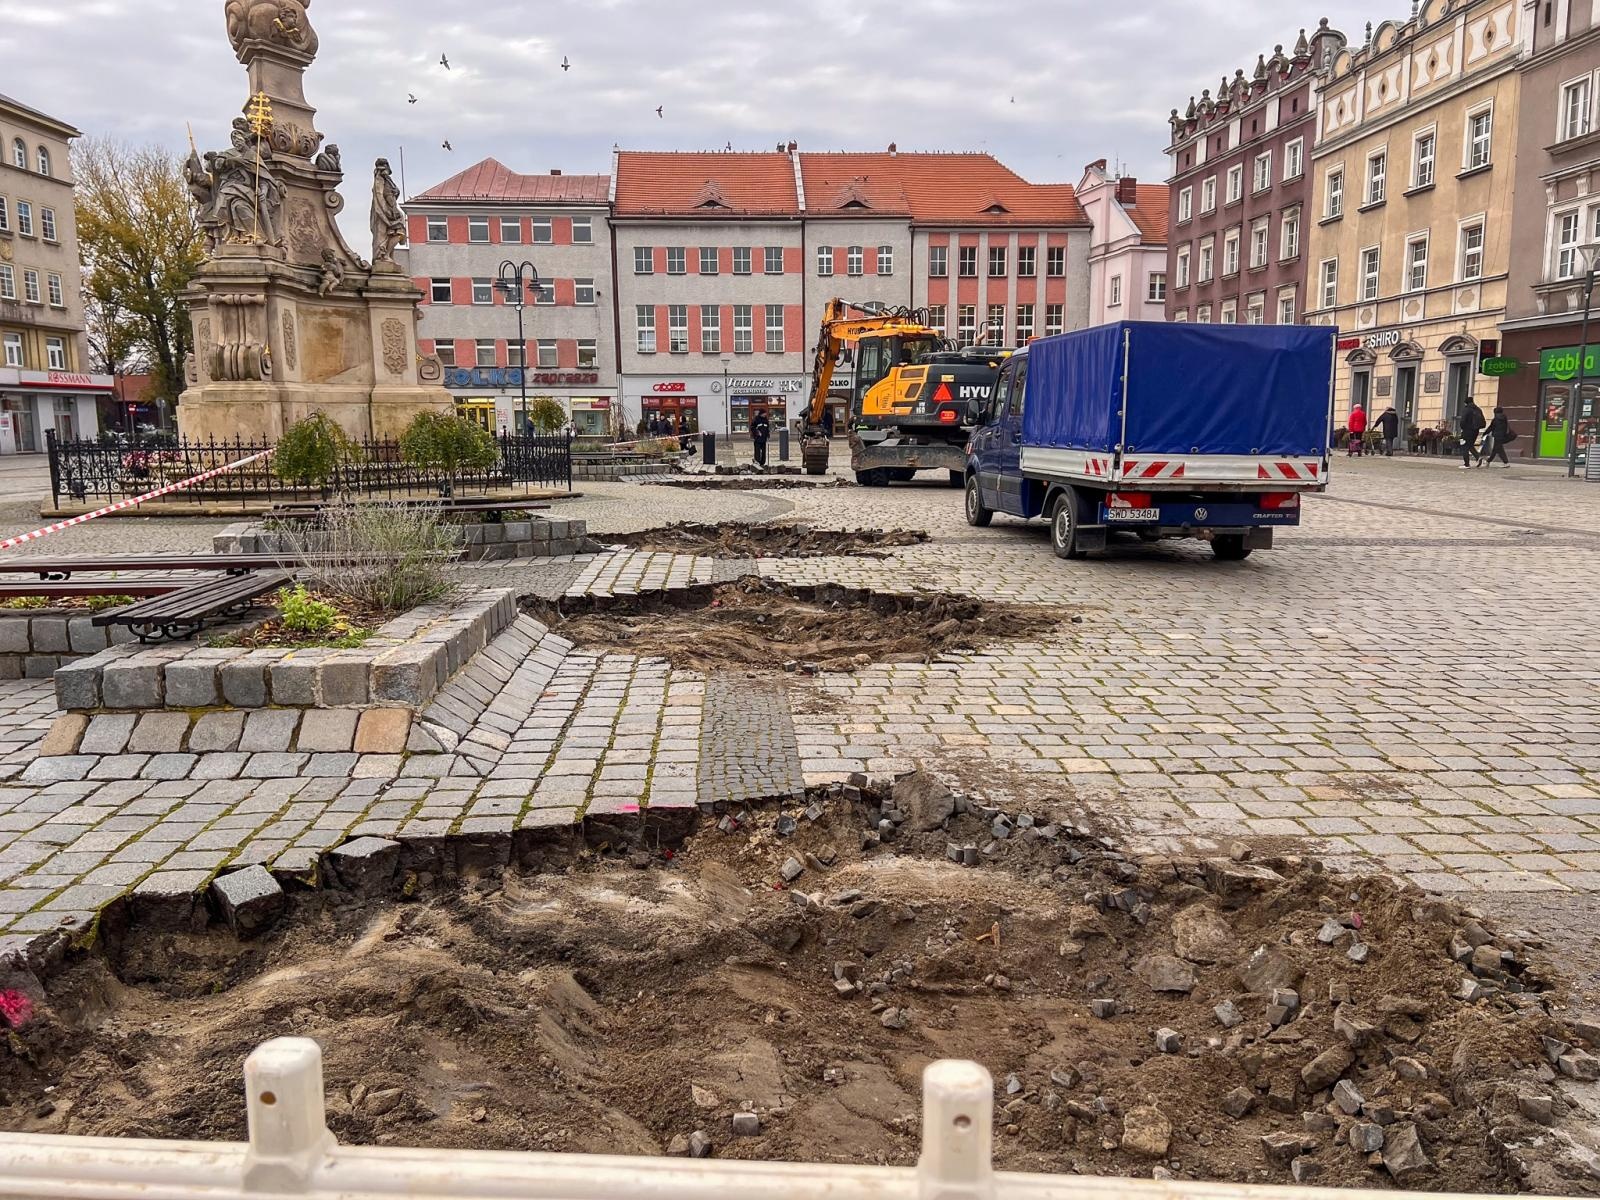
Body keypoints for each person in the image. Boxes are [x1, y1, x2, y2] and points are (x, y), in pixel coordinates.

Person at [1458, 397, 1485, 469]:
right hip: (1475, 431)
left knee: (1464, 446)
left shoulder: (1466, 409)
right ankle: (1478, 458)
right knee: (1470, 445)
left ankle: (1466, 464)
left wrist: (1463, 428)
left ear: (1466, 403)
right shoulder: (1478, 409)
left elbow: (1463, 421)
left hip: (1467, 431)